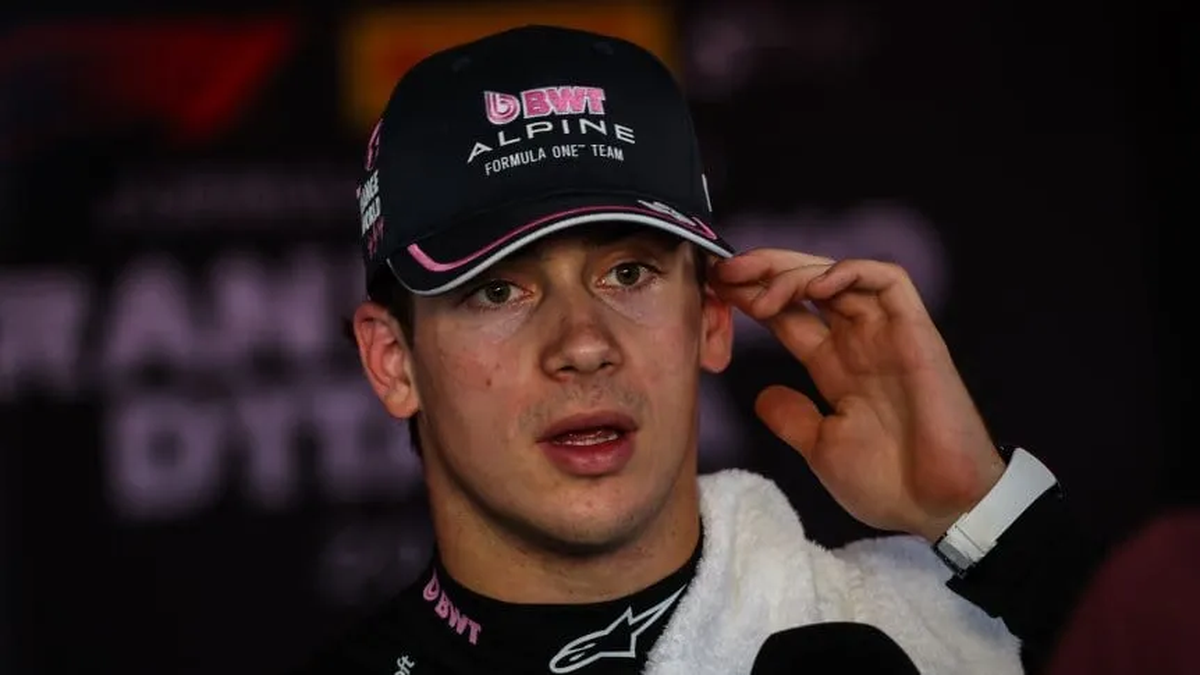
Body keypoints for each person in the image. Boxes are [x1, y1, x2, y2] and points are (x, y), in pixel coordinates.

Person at [297, 24, 1107, 675]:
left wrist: (997, 524)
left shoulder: (928, 640)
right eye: (499, 289)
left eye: (628, 272)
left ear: (712, 317)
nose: (584, 344)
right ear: (393, 360)